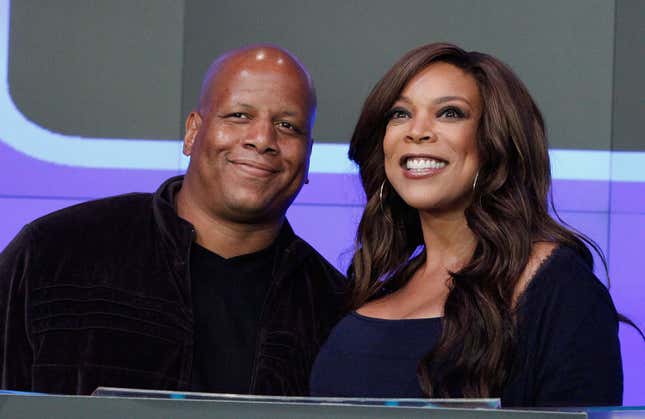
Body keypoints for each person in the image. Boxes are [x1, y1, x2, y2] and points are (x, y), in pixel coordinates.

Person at [0, 45, 347, 396]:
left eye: (287, 125)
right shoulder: (53, 253)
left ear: (308, 157)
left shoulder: (336, 311)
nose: (262, 139)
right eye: (239, 116)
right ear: (193, 132)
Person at [310, 43, 623, 407]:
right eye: (399, 114)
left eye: (449, 113)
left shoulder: (558, 285)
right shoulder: (373, 284)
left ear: (496, 142)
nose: (417, 131)